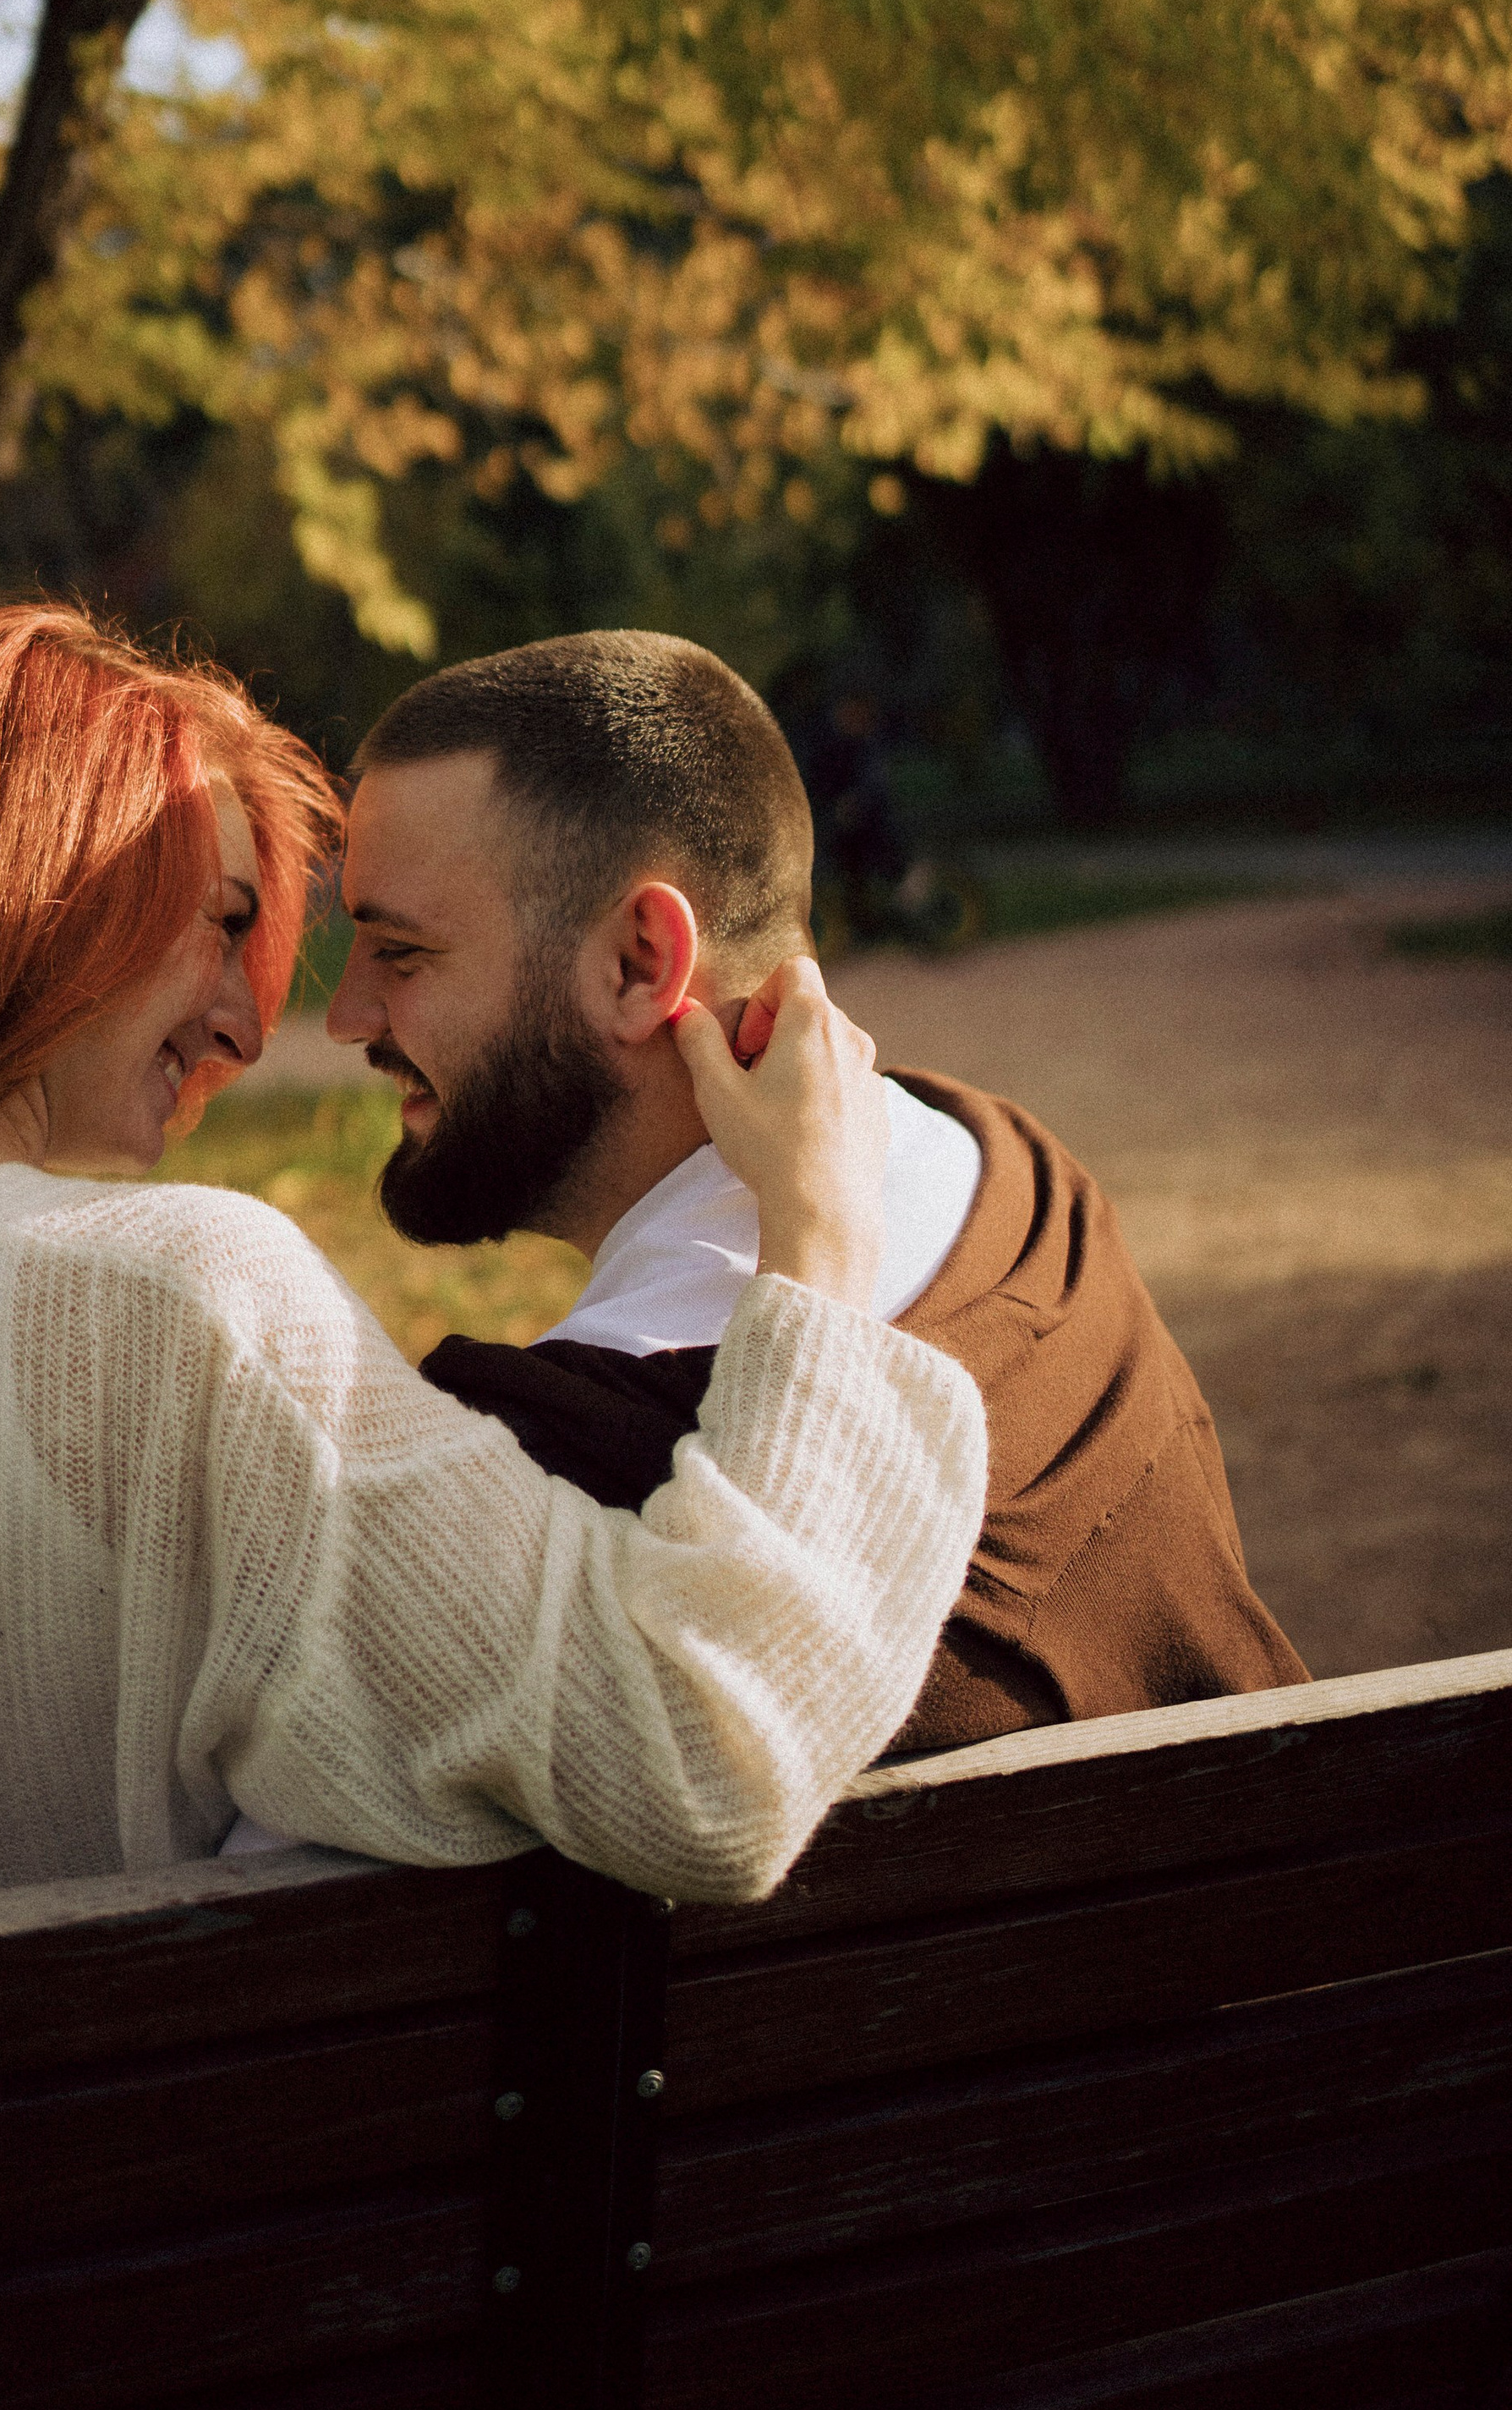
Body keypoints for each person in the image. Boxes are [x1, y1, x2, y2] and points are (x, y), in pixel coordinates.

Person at [0, 607, 986, 1930]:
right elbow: (698, 1766)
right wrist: (818, 1235)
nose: (241, 1027)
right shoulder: (175, 1298)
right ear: (37, 887)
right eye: (222, 923)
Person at [326, 629, 1307, 1755]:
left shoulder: (552, 1477)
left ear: (642, 962)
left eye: (400, 953)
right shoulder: (1026, 1188)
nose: (347, 1017)